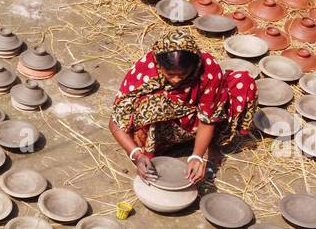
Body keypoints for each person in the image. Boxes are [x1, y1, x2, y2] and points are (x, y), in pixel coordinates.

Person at [109, 31, 256, 185]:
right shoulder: (145, 72)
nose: (176, 80)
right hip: (163, 130)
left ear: (195, 65)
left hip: (196, 124)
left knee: (243, 82)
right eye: (170, 74)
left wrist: (197, 156)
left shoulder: (207, 69)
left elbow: (208, 118)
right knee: (153, 105)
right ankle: (154, 151)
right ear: (159, 65)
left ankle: (210, 144)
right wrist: (137, 155)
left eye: (183, 74)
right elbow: (114, 122)